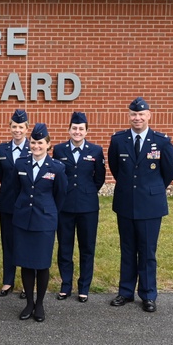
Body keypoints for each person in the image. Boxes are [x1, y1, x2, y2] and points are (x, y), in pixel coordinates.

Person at [108, 96, 173, 313]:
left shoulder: (162, 141)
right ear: (129, 116)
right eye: (133, 114)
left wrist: (150, 190)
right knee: (127, 249)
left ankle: (148, 294)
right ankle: (126, 292)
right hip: (126, 202)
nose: (137, 118)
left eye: (141, 114)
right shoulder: (119, 140)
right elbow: (116, 169)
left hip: (150, 205)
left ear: (149, 115)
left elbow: (168, 172)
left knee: (147, 251)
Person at [12, 123, 67, 323]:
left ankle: (40, 303)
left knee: (42, 264)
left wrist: (49, 211)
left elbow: (60, 195)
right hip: (23, 219)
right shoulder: (20, 164)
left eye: (40, 143)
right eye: (33, 142)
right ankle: (28, 303)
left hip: (44, 221)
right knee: (26, 263)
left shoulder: (57, 168)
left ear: (48, 145)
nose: (36, 146)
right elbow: (15, 189)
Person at [52, 111, 106, 303]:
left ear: (86, 131)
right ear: (69, 130)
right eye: (74, 128)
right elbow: (57, 177)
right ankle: (66, 285)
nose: (77, 132)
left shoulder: (96, 151)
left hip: (87, 206)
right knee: (65, 247)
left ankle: (84, 287)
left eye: (81, 129)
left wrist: (88, 191)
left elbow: (99, 177)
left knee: (87, 247)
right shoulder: (58, 150)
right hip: (65, 206)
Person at [0, 109, 30, 298]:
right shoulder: (1, 150)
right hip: (7, 203)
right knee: (8, 242)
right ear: (10, 127)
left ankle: (26, 283)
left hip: (26, 204)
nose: (17, 130)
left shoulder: (35, 148)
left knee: (25, 242)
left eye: (20, 127)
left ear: (26, 128)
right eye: (14, 126)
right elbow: (2, 175)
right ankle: (8, 281)